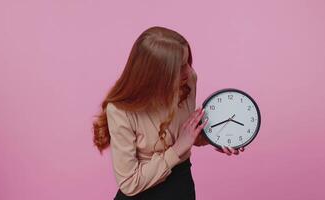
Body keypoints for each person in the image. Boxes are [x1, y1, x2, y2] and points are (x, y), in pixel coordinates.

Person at [92, 26, 245, 200]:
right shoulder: (120, 110)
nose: (189, 71)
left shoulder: (187, 82)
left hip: (180, 186)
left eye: (188, 62)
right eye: (180, 67)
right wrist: (178, 148)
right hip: (140, 193)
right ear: (156, 75)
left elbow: (186, 135)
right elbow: (129, 183)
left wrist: (218, 136)